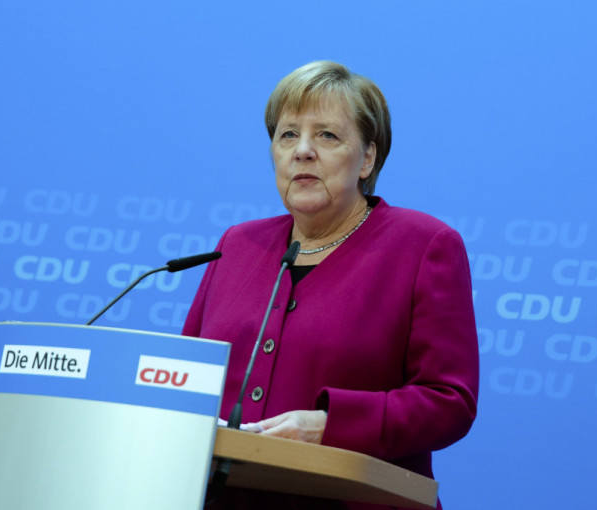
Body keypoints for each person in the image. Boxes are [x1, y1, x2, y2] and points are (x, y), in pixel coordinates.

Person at [183, 61, 479, 509]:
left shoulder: (423, 245)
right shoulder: (238, 244)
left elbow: (449, 402)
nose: (302, 151)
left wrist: (329, 426)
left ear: (367, 158)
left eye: (326, 135)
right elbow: (185, 378)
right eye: (288, 135)